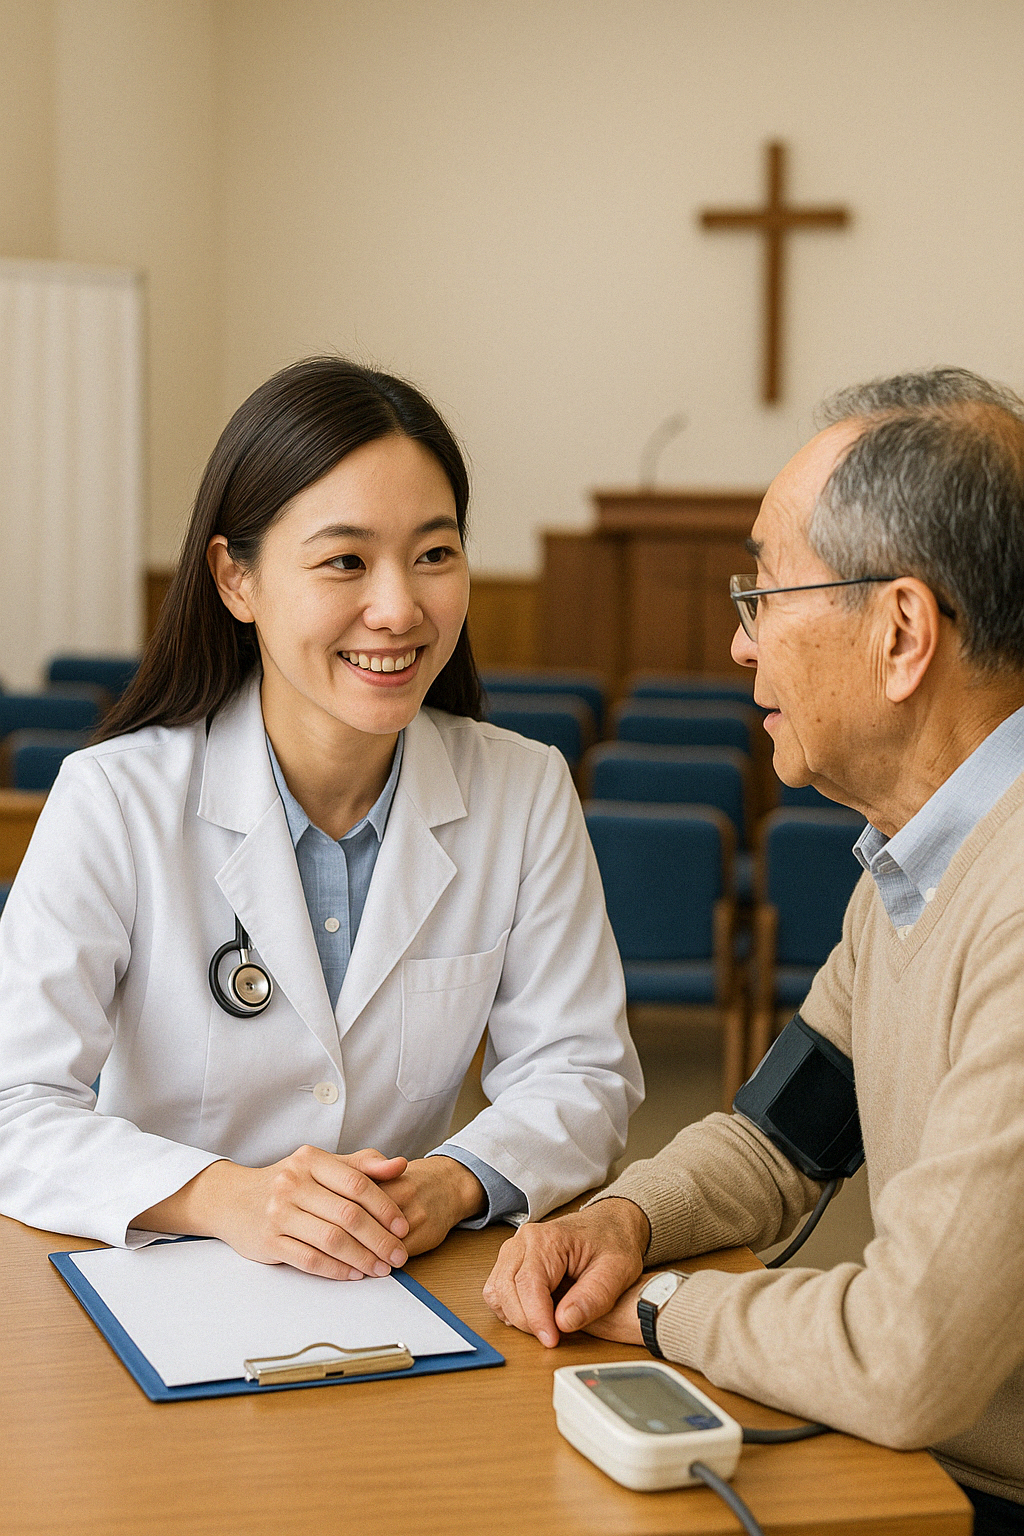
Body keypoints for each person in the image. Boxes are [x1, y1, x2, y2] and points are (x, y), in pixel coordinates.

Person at [484, 367, 1024, 1531]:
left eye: (765, 594)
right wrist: (623, 1220)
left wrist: (660, 1308)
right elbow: (777, 1140)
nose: (740, 646)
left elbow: (905, 1355)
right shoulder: (909, 868)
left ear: (900, 632)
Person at [0, 356, 642, 1282]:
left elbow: (582, 1074)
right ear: (237, 579)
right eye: (346, 560)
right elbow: (15, 1103)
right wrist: (225, 1198)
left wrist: (449, 1183)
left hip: (401, 1283)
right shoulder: (114, 800)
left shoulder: (525, 792)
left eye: (434, 555)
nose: (398, 608)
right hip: (165, 1280)